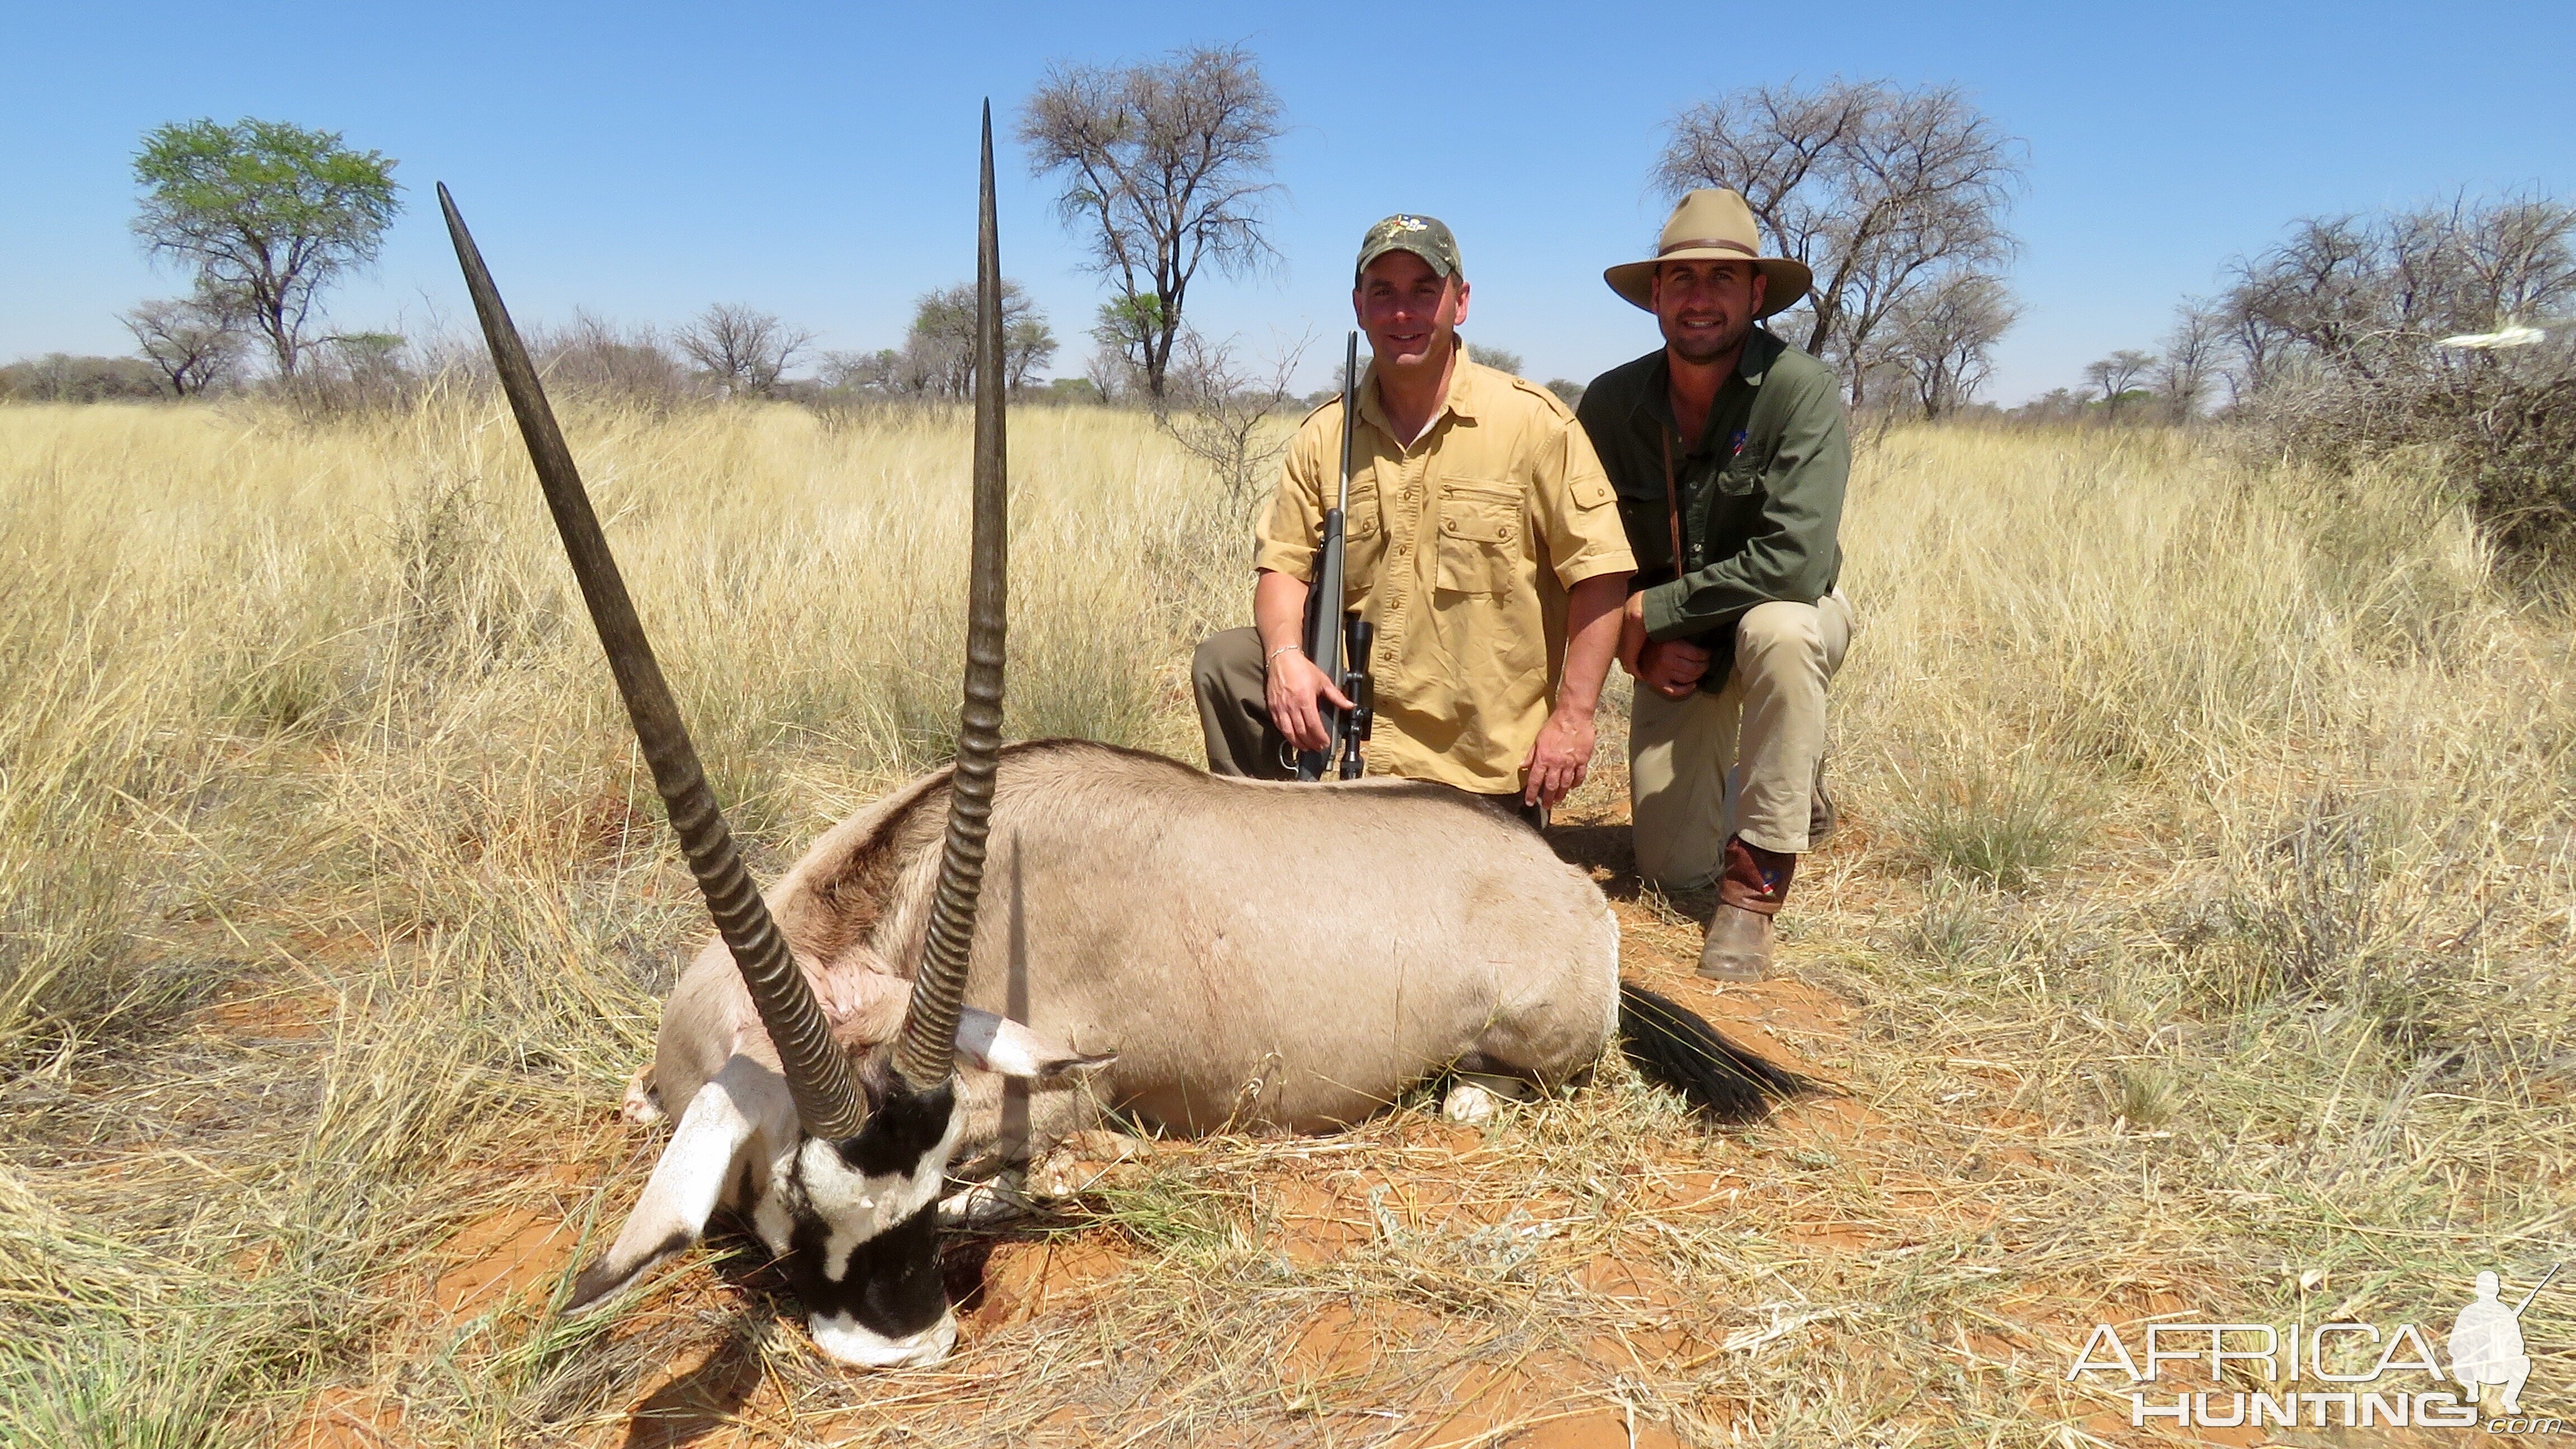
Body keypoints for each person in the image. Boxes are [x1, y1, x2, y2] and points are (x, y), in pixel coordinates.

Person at [1193, 214, 1635, 821]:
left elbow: (1602, 574)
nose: (1403, 313)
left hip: (1477, 769)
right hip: (1355, 741)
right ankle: (1270, 834)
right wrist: (1285, 660)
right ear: (1358, 306)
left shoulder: (1535, 424)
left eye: (1424, 291)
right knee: (1228, 661)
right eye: (1383, 293)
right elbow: (1283, 569)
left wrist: (1574, 717)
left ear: (1461, 301)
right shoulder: (1325, 435)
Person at [1576, 188, 1858, 979]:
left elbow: (1795, 565)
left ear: (1756, 293)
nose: (1701, 298)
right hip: (1675, 648)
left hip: (1787, 617)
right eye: (1683, 280)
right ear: (1656, 295)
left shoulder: (1799, 389)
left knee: (1781, 634)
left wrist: (1649, 613)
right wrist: (1639, 652)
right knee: (1667, 871)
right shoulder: (1609, 402)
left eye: (1723, 280)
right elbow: (1580, 551)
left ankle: (1752, 894)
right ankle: (1785, 777)